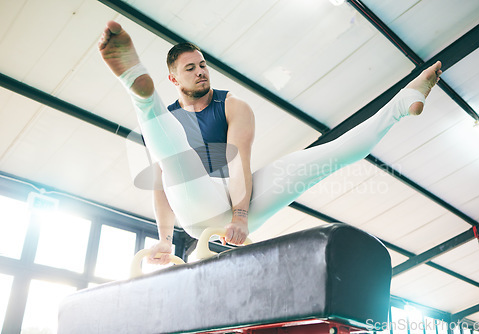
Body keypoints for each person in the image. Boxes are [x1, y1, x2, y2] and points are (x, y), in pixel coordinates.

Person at [98, 20, 442, 264]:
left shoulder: (234, 105)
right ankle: (139, 88)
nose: (201, 71)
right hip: (194, 206)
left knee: (325, 157)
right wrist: (164, 240)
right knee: (173, 157)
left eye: (203, 65)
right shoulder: (171, 125)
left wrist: (241, 216)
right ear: (173, 78)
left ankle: (402, 103)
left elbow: (238, 163)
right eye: (190, 68)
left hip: (238, 201)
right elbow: (162, 186)